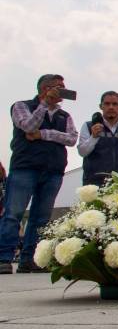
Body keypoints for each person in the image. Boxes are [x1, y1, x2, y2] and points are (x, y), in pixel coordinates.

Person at [0, 74, 78, 274]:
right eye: (58, 87)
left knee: (41, 217)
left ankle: (30, 259)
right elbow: (28, 126)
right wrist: (44, 105)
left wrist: (43, 135)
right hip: (25, 167)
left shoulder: (64, 116)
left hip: (53, 169)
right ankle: (4, 257)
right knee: (13, 213)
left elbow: (71, 139)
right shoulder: (22, 106)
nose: (62, 91)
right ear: (45, 88)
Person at [77, 91, 118, 187]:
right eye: (107, 104)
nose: (111, 107)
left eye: (115, 104)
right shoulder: (89, 126)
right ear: (101, 106)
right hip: (94, 184)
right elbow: (82, 152)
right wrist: (93, 137)